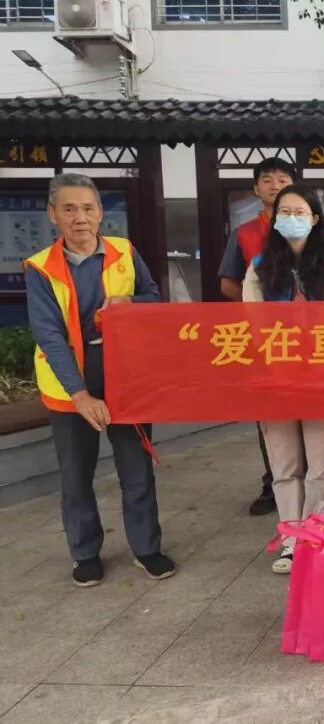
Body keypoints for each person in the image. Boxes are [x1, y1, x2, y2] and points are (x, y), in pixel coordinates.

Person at [25, 173, 175, 587]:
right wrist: (80, 395)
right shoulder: (40, 268)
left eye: (88, 208)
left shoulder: (124, 252)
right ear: (53, 214)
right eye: (69, 209)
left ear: (100, 212)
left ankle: (146, 548)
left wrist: (131, 301)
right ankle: (85, 554)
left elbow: (154, 299)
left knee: (137, 471)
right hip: (70, 387)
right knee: (76, 476)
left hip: (126, 381)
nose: (80, 217)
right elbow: (49, 336)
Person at [242, 185, 324, 573]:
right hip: (276, 380)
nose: (291, 218)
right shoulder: (259, 267)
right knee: (285, 466)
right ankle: (291, 540)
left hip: (321, 378)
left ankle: (318, 535)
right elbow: (254, 324)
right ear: (274, 219)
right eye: (284, 212)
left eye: (300, 212)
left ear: (315, 218)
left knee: (321, 466)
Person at [217, 157, 298, 517]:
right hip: (265, 339)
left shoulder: (309, 226)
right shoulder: (245, 233)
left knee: (309, 408)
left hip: (310, 339)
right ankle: (273, 481)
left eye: (283, 179)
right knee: (269, 411)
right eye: (267, 179)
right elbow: (228, 284)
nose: (275, 185)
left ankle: (307, 479)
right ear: (255, 189)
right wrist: (261, 310)